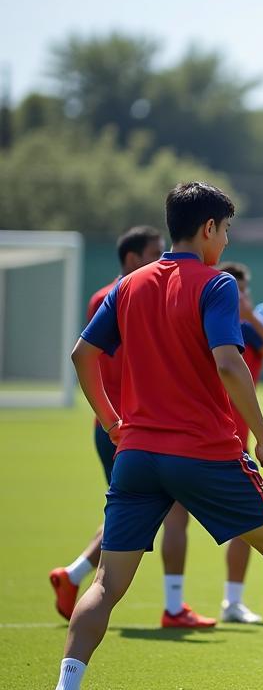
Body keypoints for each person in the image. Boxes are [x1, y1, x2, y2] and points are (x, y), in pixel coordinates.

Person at [45, 181, 263, 690]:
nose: (225, 240)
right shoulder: (216, 283)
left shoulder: (127, 287)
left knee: (108, 581)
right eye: (225, 229)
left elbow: (83, 354)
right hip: (204, 452)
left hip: (138, 455)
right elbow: (228, 362)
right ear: (208, 229)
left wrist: (111, 420)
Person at [159, 261, 263, 625]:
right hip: (215, 443)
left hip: (199, 440)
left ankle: (227, 602)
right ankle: (176, 603)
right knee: (255, 521)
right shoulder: (220, 330)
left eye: (241, 291)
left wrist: (251, 316)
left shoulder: (248, 330)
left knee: (245, 524)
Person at [48, 226, 165, 620]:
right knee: (143, 512)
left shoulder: (128, 293)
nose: (161, 259)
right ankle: (81, 576)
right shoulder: (115, 296)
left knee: (138, 511)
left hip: (127, 425)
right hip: (124, 426)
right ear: (132, 259)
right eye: (155, 252)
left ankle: (75, 575)